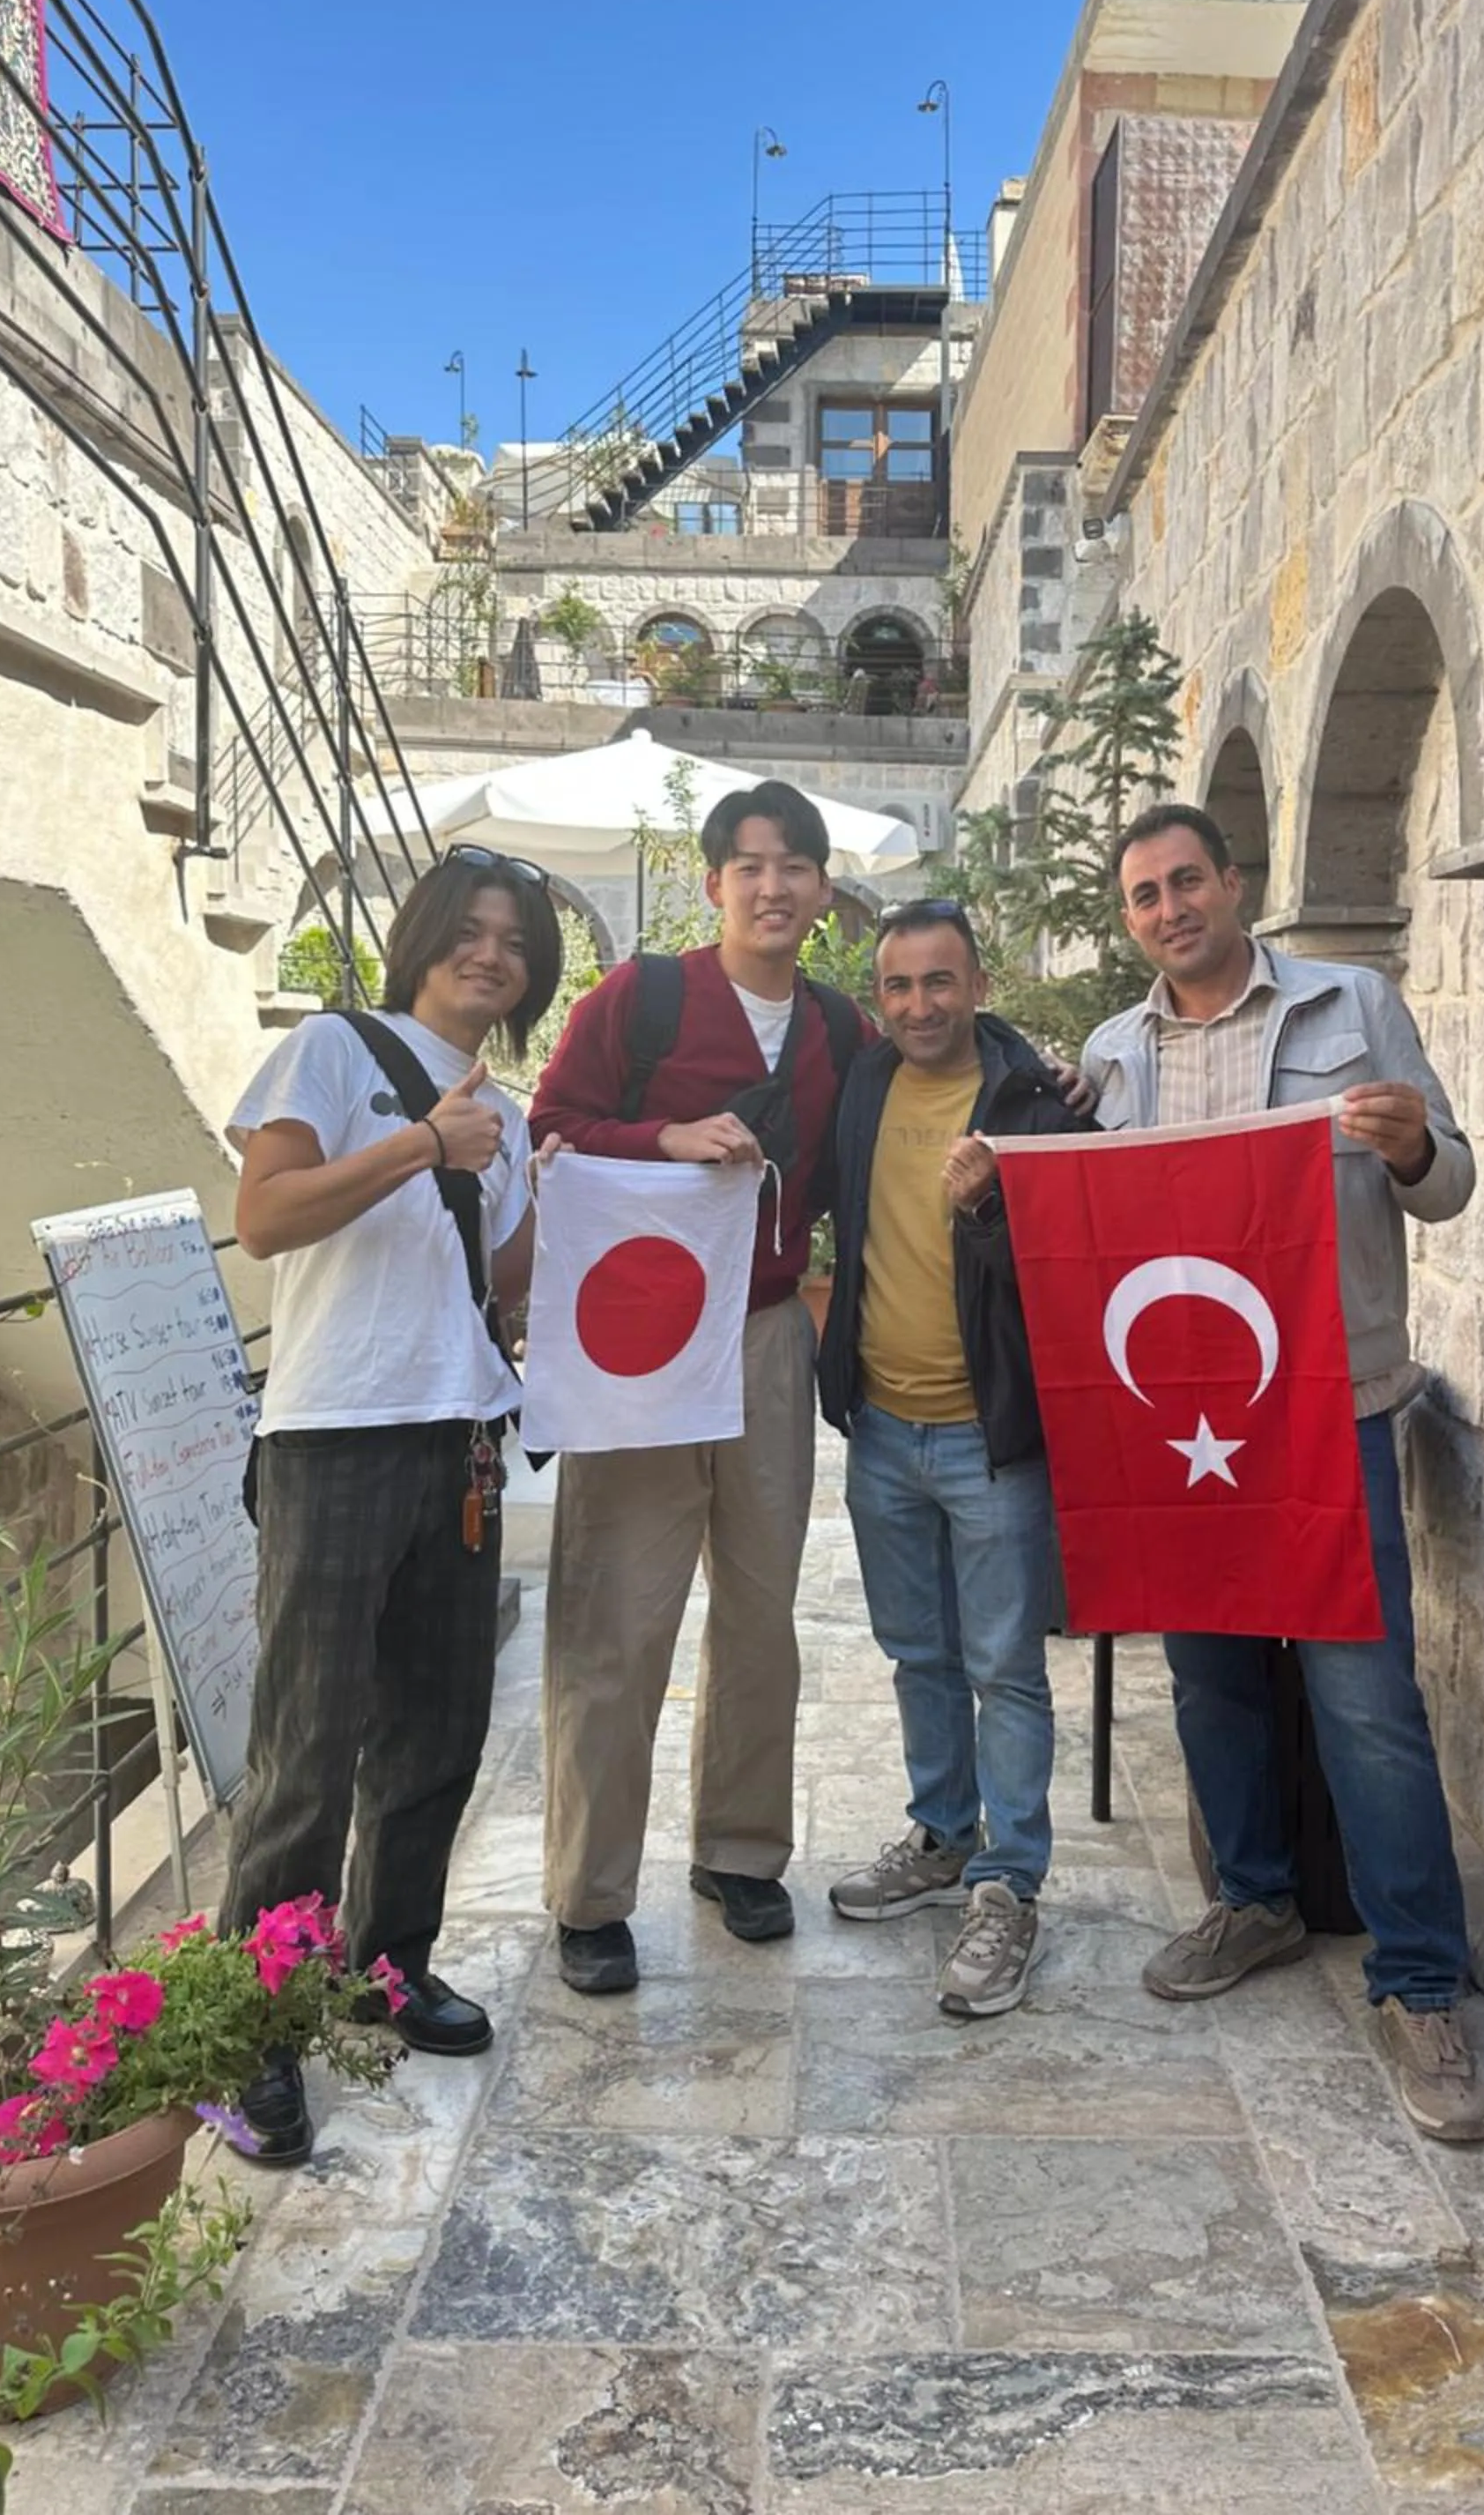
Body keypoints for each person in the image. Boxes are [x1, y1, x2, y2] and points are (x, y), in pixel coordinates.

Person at [1082, 800, 1484, 2144]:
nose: (1167, 909)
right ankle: (1252, 1897)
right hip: (1180, 1421)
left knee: (1364, 1695)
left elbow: (1450, 1185)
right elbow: (1092, 1224)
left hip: (1333, 1405)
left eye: (1185, 881)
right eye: (1142, 895)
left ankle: (1421, 1980)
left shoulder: (1348, 1005)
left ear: (1233, 884)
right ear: (1129, 917)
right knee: (1206, 1672)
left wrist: (1407, 1147)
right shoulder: (1110, 1051)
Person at [220, 849, 562, 2162]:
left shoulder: (511, 1110)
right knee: (306, 1741)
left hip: (462, 1432)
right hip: (335, 1433)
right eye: (470, 933)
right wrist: (425, 1142)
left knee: (438, 1723)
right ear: (422, 937)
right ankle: (258, 2027)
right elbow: (263, 1218)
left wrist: (563, 1172)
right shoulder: (330, 1049)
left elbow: (511, 1274)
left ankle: (387, 1963)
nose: (490, 956)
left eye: (514, 943)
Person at [526, 780, 872, 1993]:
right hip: (644, 1342)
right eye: (750, 864)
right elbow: (552, 1132)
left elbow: (898, 1131)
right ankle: (589, 1891)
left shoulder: (839, 1028)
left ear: (823, 891)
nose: (773, 886)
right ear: (715, 881)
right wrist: (662, 1141)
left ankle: (738, 1849)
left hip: (770, 1334)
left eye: (796, 866)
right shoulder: (646, 997)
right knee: (617, 1613)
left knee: (760, 1612)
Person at [817, 900, 1090, 2017]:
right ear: (878, 997)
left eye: (940, 982)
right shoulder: (865, 1087)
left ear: (979, 985)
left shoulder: (1039, 1103)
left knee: (1005, 1667)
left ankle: (1009, 1884)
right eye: (898, 986)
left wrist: (991, 1211)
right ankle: (942, 1833)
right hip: (882, 1425)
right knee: (915, 1651)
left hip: (992, 1438)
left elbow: (1072, 1266)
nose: (919, 1005)